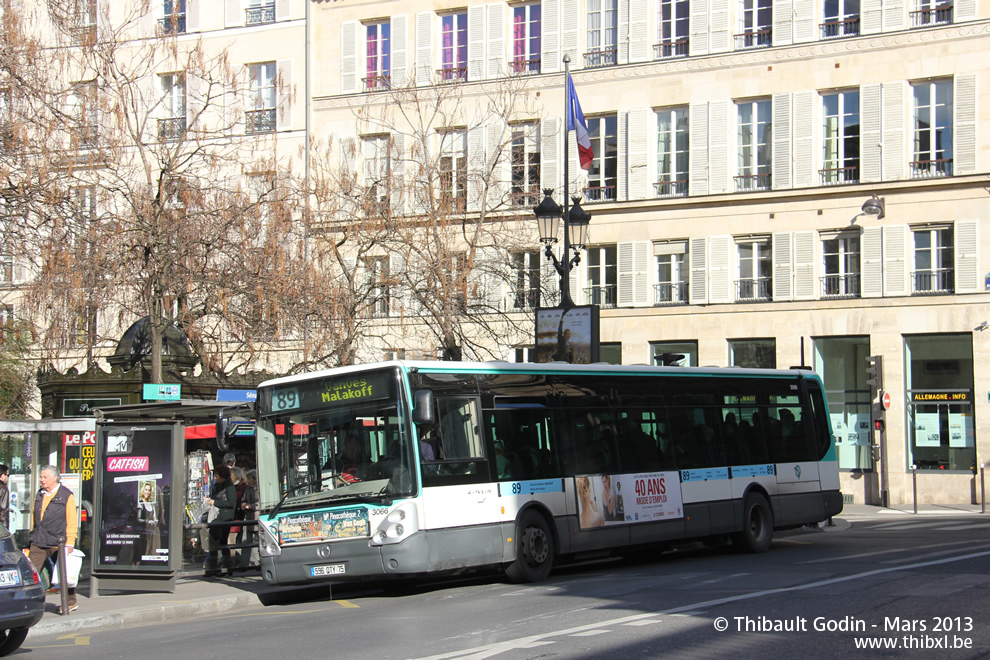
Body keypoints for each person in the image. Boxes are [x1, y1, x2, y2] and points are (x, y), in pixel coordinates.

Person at [29, 465, 77, 613]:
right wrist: (31, 535)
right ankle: (30, 603)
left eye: (45, 477)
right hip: (38, 539)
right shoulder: (40, 494)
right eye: (41, 477)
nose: (41, 480)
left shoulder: (66, 495)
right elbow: (34, 517)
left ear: (55, 478)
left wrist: (70, 542)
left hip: (57, 540)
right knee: (31, 573)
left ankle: (70, 602)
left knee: (63, 573)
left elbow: (71, 521)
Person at [204, 464, 236, 577]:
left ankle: (225, 567)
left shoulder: (229, 487)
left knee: (221, 542)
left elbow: (231, 503)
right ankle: (217, 567)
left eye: (217, 476)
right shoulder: (218, 486)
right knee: (216, 542)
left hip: (224, 517)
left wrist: (215, 502)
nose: (215, 478)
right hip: (217, 516)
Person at [238, 470, 259, 570]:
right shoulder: (247, 490)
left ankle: (257, 562)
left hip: (256, 518)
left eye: (249, 479)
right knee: (246, 542)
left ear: (255, 480)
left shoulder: (259, 490)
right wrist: (243, 505)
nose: (247, 481)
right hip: (248, 519)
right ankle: (245, 564)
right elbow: (243, 500)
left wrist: (251, 506)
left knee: (257, 541)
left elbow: (261, 503)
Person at [137, 480, 161, 563]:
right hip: (145, 530)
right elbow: (138, 519)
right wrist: (147, 521)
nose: (147, 492)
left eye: (149, 490)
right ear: (143, 490)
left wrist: (155, 520)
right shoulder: (140, 503)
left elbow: (155, 517)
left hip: (153, 529)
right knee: (147, 546)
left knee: (154, 546)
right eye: (146, 489)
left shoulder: (152, 503)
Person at [0, 464, 9, 529]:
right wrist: (5, 531)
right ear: (2, 476)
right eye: (7, 475)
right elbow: (3, 513)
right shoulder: (3, 489)